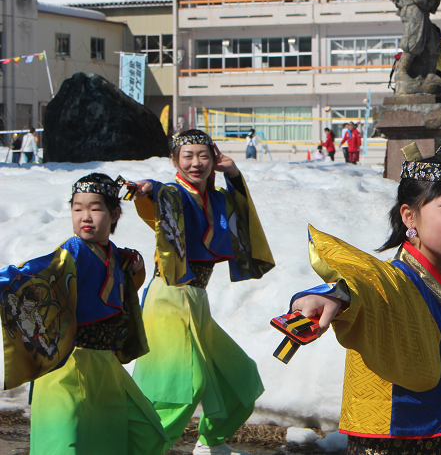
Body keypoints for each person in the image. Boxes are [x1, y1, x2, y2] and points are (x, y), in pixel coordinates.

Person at [290, 144, 441, 455]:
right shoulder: (396, 279)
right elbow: (365, 286)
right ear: (410, 217)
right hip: (392, 441)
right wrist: (336, 296)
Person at [0, 173, 170, 454]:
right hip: (67, 363)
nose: (85, 216)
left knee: (146, 434)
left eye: (95, 208)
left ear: (115, 213)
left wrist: (135, 271)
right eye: (77, 208)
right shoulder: (73, 250)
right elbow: (31, 273)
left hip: (104, 365)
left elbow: (116, 296)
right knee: (63, 445)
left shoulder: (115, 255)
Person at [130, 129, 276, 455]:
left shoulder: (216, 200)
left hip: (196, 301)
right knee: (181, 386)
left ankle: (211, 443)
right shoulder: (175, 194)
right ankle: (139, 449)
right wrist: (148, 189)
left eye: (203, 156)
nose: (196, 163)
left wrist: (234, 172)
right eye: (188, 156)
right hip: (168, 298)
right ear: (174, 160)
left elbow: (241, 212)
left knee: (239, 377)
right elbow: (161, 195)